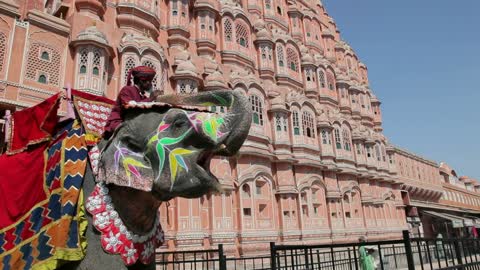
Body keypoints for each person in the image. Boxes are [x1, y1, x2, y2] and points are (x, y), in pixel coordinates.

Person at [103, 66, 157, 139]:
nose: (150, 84)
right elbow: (131, 106)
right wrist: (151, 99)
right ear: (141, 81)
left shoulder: (143, 97)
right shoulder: (127, 90)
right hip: (119, 122)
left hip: (133, 123)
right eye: (149, 81)